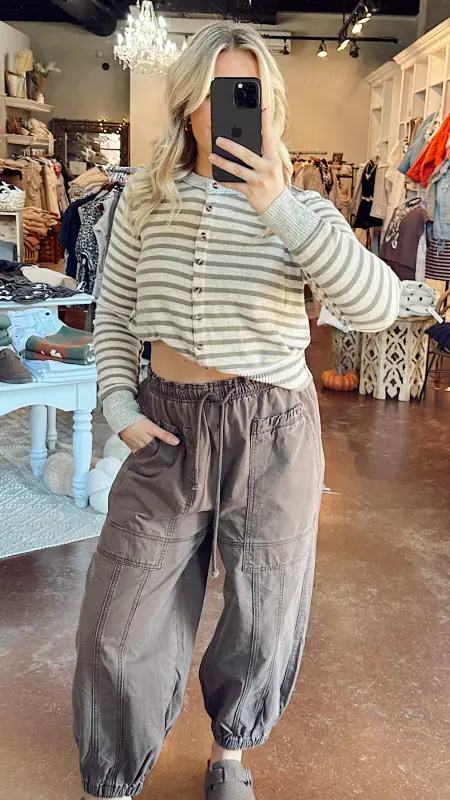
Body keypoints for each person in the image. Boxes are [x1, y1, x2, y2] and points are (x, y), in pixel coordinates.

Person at [73, 20, 401, 800]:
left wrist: (278, 204)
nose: (228, 110)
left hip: (271, 428)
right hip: (166, 425)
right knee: (120, 615)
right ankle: (113, 773)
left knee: (264, 607)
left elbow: (377, 307)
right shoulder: (142, 201)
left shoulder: (303, 209)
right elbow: (113, 317)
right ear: (187, 103)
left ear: (269, 106)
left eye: (246, 93)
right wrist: (118, 403)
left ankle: (229, 754)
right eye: (216, 93)